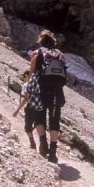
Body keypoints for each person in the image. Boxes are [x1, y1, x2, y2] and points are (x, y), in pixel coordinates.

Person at [29, 30, 66, 164]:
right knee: (54, 120)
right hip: (57, 92)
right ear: (53, 42)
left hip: (40, 91)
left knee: (39, 118)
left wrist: (29, 90)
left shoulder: (36, 53)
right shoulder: (60, 55)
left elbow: (32, 74)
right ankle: (53, 152)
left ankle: (43, 144)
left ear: (40, 41)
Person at [12, 70, 42, 150]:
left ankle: (32, 144)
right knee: (39, 125)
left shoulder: (26, 85)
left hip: (30, 108)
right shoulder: (39, 84)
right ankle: (43, 145)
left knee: (27, 127)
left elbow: (26, 99)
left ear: (26, 76)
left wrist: (17, 110)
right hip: (40, 108)